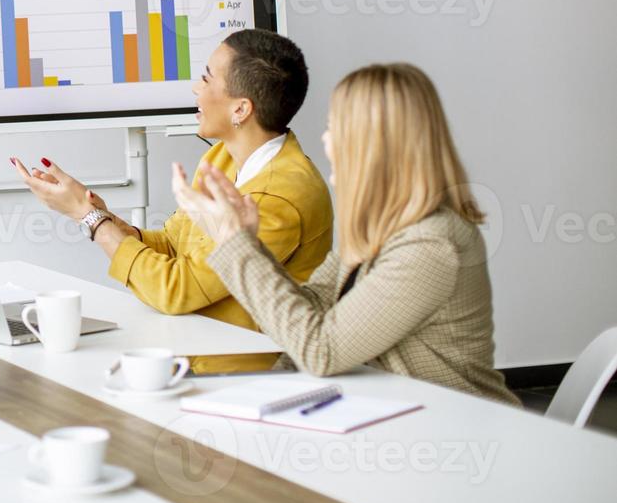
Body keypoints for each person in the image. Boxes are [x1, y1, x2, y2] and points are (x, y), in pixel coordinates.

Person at [173, 63, 520, 405]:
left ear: (375, 146)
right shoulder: (377, 230)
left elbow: (320, 351)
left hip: (452, 430)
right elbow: (308, 312)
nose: (325, 141)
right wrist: (242, 241)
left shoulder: (431, 244)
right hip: (390, 416)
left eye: (335, 128)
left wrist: (236, 246)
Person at [12, 29, 333, 372]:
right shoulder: (223, 158)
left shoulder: (277, 199)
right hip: (190, 347)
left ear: (241, 109)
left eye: (207, 78)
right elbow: (173, 244)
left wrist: (89, 219)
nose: (197, 88)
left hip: (238, 373)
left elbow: (176, 289)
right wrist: (100, 216)